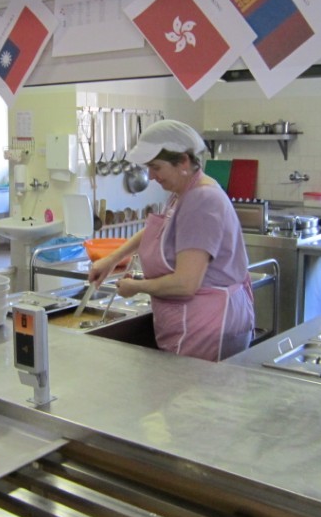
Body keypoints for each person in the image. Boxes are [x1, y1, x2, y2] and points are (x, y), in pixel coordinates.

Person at [88, 119, 254, 361]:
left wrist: (136, 286)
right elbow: (159, 230)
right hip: (191, 321)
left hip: (206, 326)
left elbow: (185, 284)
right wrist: (112, 259)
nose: (151, 176)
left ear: (183, 162)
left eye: (156, 167)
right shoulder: (183, 193)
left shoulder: (202, 201)